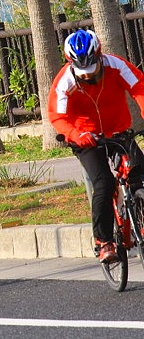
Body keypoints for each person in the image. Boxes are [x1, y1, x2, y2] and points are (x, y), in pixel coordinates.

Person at [48, 28, 144, 263]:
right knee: (103, 183)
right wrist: (75, 134)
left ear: (100, 56)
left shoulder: (116, 66)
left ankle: (137, 212)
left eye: (92, 70)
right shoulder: (65, 81)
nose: (88, 76)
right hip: (86, 138)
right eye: (83, 73)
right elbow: (58, 117)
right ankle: (104, 242)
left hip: (119, 132)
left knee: (140, 172)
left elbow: (139, 88)